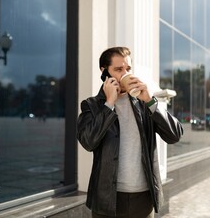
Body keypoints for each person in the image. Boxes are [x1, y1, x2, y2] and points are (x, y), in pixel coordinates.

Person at [76, 47, 183, 218]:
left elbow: (174, 135)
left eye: (128, 69)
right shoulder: (91, 105)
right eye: (118, 69)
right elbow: (88, 142)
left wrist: (150, 101)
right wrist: (109, 104)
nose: (125, 74)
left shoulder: (144, 102)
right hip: (108, 199)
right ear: (104, 72)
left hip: (143, 198)